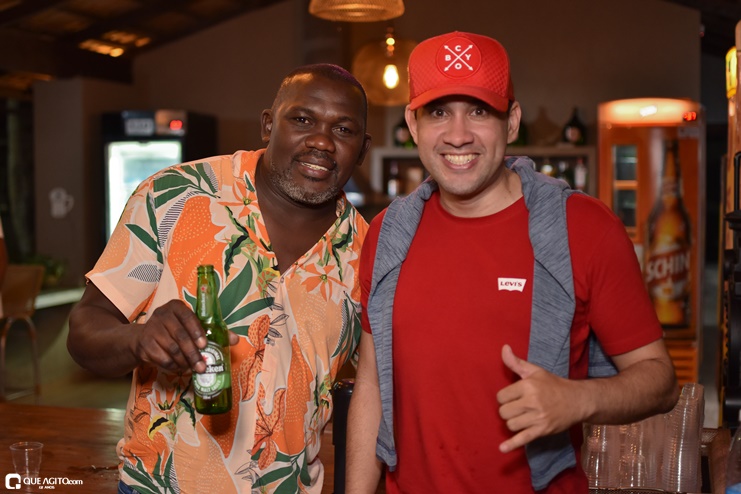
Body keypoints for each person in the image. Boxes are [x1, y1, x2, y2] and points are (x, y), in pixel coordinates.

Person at [345, 31, 679, 493]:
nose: (458, 135)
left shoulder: (583, 228)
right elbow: (371, 385)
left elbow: (661, 381)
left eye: (479, 111)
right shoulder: (388, 233)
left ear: (513, 121)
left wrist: (578, 399)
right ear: (413, 124)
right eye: (438, 112)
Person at [67, 63, 371, 494]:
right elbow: (84, 329)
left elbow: (380, 388)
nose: (321, 141)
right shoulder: (174, 196)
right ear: (268, 124)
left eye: (343, 129)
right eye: (302, 119)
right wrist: (138, 340)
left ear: (362, 148)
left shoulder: (368, 252)